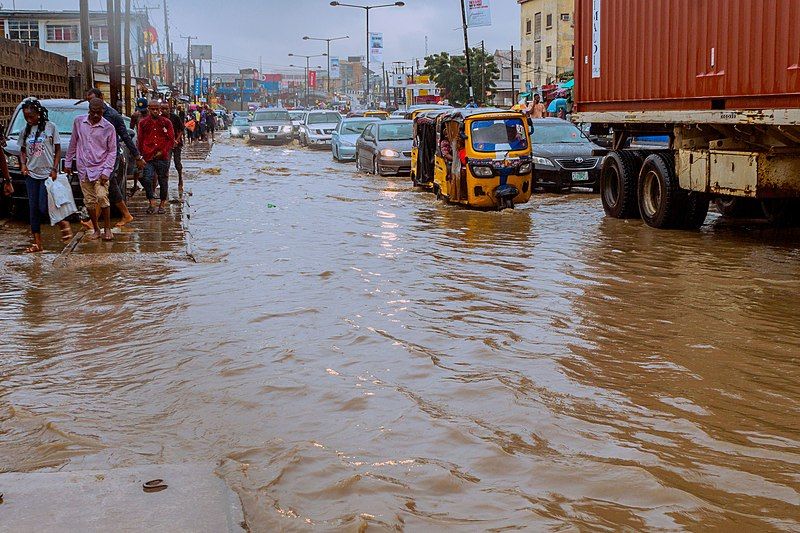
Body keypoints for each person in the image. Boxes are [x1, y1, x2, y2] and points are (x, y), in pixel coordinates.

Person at [16, 98, 73, 252]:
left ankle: (63, 223)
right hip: (32, 175)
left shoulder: (50, 128)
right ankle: (37, 243)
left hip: (47, 174)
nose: (29, 119)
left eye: (31, 116)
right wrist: (23, 165)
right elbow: (22, 150)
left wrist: (54, 168)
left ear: (39, 114)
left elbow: (57, 149)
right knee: (33, 209)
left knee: (43, 206)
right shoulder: (24, 131)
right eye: (26, 117)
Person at [86, 88, 143, 226]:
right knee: (109, 186)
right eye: (89, 102)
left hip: (110, 156)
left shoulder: (113, 116)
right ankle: (124, 215)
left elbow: (125, 136)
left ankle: (96, 220)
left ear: (101, 97)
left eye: (93, 100)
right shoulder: (88, 116)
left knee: (105, 183)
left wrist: (137, 156)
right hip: (95, 156)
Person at [64, 98, 117, 241]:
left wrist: (107, 171)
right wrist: (68, 162)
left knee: (101, 197)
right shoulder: (79, 122)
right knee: (89, 201)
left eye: (98, 113)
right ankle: (96, 228)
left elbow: (112, 151)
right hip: (84, 168)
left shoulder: (108, 128)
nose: (95, 116)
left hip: (100, 169)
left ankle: (107, 228)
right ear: (88, 111)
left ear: (103, 112)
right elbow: (73, 143)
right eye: (93, 112)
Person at [137, 101, 175, 214]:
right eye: (152, 109)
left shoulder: (166, 122)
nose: (155, 111)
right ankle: (152, 201)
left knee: (163, 180)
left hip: (162, 157)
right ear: (149, 109)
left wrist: (163, 151)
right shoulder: (143, 123)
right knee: (147, 178)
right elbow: (140, 139)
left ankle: (162, 203)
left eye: (157, 109)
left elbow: (171, 139)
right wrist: (139, 156)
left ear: (159, 110)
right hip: (148, 156)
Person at [162, 101, 185, 192]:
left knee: (177, 163)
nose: (164, 111)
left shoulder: (175, 118)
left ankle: (180, 178)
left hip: (176, 144)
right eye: (162, 109)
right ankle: (165, 184)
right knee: (166, 164)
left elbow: (181, 130)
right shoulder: (159, 119)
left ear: (169, 109)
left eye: (166, 109)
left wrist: (177, 140)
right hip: (165, 145)